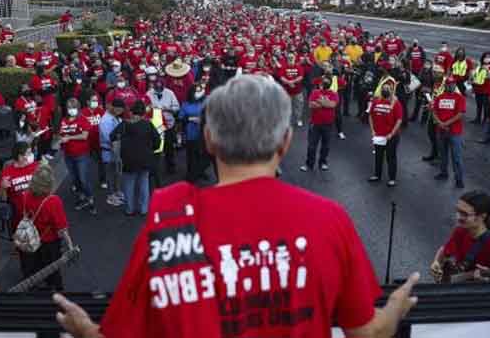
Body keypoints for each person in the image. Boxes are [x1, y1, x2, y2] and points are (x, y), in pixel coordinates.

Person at [53, 74, 419, 338]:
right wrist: (397, 307)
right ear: (287, 142)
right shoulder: (329, 219)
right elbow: (368, 333)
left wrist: (84, 329)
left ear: (209, 140)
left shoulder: (168, 218)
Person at [430, 191, 490, 283]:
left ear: (482, 217)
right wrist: (436, 262)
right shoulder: (460, 231)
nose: (458, 217)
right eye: (457, 211)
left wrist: (487, 280)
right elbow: (445, 250)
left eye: (464, 214)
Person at [17, 164, 74, 291]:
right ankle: (55, 290)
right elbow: (62, 229)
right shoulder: (53, 201)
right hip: (49, 242)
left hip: (31, 238)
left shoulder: (25, 195)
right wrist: (70, 246)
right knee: (52, 269)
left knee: (34, 267)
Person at [110, 101, 160, 216]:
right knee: (144, 184)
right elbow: (157, 141)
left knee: (128, 185)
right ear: (143, 113)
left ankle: (130, 209)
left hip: (128, 160)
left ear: (131, 112)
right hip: (145, 159)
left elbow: (112, 136)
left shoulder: (124, 124)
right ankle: (144, 209)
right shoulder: (148, 124)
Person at [60, 98, 97, 215]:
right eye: (69, 108)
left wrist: (69, 137)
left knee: (83, 179)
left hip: (81, 154)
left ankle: (90, 199)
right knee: (75, 179)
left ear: (78, 108)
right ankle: (81, 198)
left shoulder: (83, 120)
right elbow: (62, 134)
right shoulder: (64, 120)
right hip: (68, 154)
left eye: (74, 107)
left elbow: (84, 135)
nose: (71, 110)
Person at [432, 76, 466, 189]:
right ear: (445, 85)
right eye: (448, 84)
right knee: (443, 155)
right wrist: (440, 123)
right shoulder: (439, 97)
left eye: (452, 84)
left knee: (456, 157)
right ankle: (443, 173)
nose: (450, 86)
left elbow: (460, 114)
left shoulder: (460, 98)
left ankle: (459, 179)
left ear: (455, 85)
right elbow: (434, 112)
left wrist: (446, 123)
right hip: (441, 131)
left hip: (455, 132)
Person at [368, 82, 403, 187]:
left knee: (390, 157)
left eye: (388, 88)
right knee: (378, 156)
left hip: (391, 136)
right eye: (384, 88)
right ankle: (377, 175)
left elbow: (399, 120)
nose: (385, 90)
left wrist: (392, 133)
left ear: (391, 91)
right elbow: (370, 115)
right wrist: (372, 130)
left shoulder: (396, 103)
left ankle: (392, 178)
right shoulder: (376, 101)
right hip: (378, 135)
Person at [301, 75, 338, 172]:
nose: (325, 83)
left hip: (328, 124)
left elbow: (332, 105)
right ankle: (309, 164)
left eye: (327, 82)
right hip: (315, 123)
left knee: (326, 146)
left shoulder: (334, 94)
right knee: (311, 145)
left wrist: (320, 102)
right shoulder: (315, 92)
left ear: (329, 84)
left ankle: (323, 163)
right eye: (323, 82)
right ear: (321, 83)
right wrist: (325, 103)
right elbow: (311, 105)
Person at [0, 142, 39, 230]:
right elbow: (2, 197)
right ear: (20, 157)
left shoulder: (36, 166)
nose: (31, 155)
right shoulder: (7, 173)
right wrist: (3, 187)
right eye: (28, 153)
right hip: (20, 219)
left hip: (39, 214)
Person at [147, 79, 180, 174]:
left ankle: (170, 167)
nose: (158, 90)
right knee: (155, 148)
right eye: (156, 88)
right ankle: (154, 169)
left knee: (169, 147)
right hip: (155, 126)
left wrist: (168, 109)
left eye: (160, 88)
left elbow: (176, 107)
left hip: (168, 124)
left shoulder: (170, 93)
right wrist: (152, 109)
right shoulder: (149, 94)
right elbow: (145, 107)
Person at [99, 99, 126, 207]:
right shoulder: (106, 120)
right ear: (113, 108)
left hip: (116, 150)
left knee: (117, 174)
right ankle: (111, 196)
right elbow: (109, 138)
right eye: (118, 110)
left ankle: (117, 192)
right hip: (109, 151)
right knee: (110, 175)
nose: (120, 112)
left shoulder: (116, 117)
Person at [179, 85, 207, 182]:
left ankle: (200, 172)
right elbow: (180, 116)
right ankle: (190, 174)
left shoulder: (204, 103)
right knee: (191, 155)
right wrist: (191, 119)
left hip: (202, 133)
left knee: (202, 155)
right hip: (190, 133)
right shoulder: (186, 104)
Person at [277, 52, 305, 127]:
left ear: (295, 58)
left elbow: (301, 77)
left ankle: (298, 119)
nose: (290, 58)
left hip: (297, 91)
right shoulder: (283, 67)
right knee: (286, 107)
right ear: (287, 58)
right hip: (286, 92)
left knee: (298, 106)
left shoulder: (299, 67)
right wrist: (289, 82)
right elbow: (281, 77)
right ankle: (286, 121)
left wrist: (292, 81)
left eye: (292, 57)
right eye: (289, 57)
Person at [472, 52, 490, 125]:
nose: (487, 59)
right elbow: (475, 75)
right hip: (478, 88)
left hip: (486, 90)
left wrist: (487, 70)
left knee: (486, 106)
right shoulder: (479, 66)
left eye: (488, 57)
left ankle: (485, 121)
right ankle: (477, 119)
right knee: (478, 105)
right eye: (485, 57)